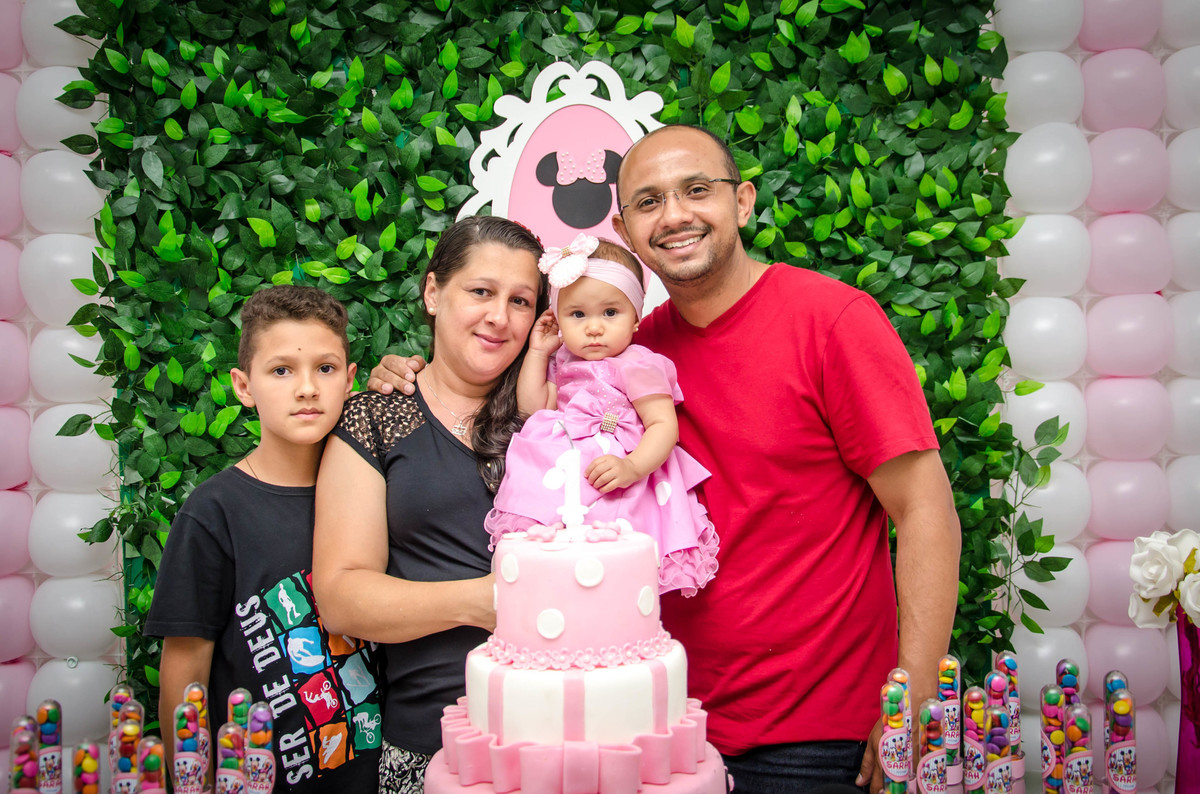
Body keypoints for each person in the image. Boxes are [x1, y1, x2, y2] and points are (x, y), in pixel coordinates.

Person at [371, 125, 960, 794]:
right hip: (654, 729)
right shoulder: (624, 347)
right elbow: (512, 397)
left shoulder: (830, 321)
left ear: (743, 202)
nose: (675, 214)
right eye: (649, 201)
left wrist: (915, 692)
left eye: (697, 190)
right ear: (625, 229)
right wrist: (407, 377)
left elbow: (923, 508)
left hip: (810, 735)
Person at [310, 215, 547, 794]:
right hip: (430, 745)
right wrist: (487, 600)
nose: (500, 316)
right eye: (481, 291)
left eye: (520, 301)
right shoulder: (375, 417)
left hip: (566, 740)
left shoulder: (554, 413)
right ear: (434, 292)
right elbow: (341, 597)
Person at [146, 285, 383, 792]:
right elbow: (185, 665)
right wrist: (193, 783)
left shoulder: (374, 492)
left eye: (325, 368)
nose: (307, 388)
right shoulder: (213, 512)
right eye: (281, 371)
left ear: (350, 380)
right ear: (243, 385)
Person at [486, 233, 718, 595]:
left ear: (636, 318)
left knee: (615, 561)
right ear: (559, 319)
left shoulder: (638, 364)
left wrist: (633, 467)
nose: (594, 327)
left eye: (610, 313)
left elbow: (662, 425)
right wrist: (539, 353)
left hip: (621, 471)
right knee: (557, 560)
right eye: (577, 314)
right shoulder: (562, 360)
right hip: (565, 472)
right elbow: (533, 409)